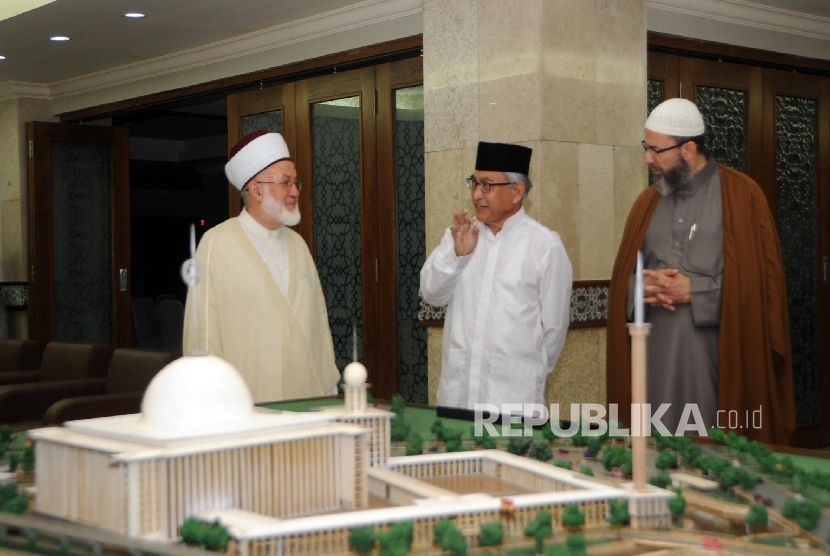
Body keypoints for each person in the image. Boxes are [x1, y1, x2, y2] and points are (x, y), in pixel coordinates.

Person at [606, 98, 795, 444]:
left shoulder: (743, 196)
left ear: (688, 149)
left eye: (656, 150)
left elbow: (761, 291)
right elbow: (623, 281)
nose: (648, 159)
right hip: (652, 360)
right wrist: (641, 289)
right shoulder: (646, 202)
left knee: (709, 453)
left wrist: (697, 292)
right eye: (646, 148)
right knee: (654, 455)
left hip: (714, 362)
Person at [183, 130, 340, 403]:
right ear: (256, 190)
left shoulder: (298, 244)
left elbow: (319, 324)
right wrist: (207, 401)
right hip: (246, 402)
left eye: (296, 182)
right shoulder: (216, 244)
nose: (295, 191)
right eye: (285, 183)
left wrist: (328, 390)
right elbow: (201, 331)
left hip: (305, 399)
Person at [420, 141, 572, 411]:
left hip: (514, 401)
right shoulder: (459, 234)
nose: (477, 195)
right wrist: (458, 257)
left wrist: (523, 368)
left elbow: (553, 332)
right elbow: (430, 294)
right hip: (459, 397)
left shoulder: (544, 245)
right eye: (475, 184)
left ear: (516, 191)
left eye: (487, 186)